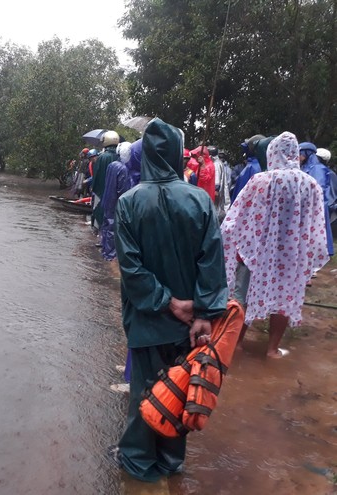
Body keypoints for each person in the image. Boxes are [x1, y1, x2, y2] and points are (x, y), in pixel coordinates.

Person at [107, 118, 228, 482]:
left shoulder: (129, 203)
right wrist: (203, 312)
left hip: (146, 319)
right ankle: (171, 461)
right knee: (180, 386)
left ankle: (138, 461)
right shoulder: (199, 201)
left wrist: (165, 302)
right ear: (177, 155)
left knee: (145, 390)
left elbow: (131, 269)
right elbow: (213, 261)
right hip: (188, 323)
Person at [221, 132, 328, 358]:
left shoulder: (261, 181)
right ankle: (272, 349)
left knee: (245, 297)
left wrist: (231, 242)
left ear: (272, 153)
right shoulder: (311, 185)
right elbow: (317, 225)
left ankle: (236, 344)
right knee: (285, 298)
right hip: (291, 255)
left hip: (256, 252)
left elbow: (237, 217)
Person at [299, 142, 334, 257]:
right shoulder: (306, 167)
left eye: (300, 153)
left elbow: (319, 189)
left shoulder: (318, 169)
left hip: (313, 207)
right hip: (307, 206)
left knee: (312, 236)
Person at [100, 142, 133, 261]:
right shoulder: (123, 169)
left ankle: (104, 251)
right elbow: (123, 191)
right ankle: (110, 256)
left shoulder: (112, 165)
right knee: (112, 230)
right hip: (115, 203)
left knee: (106, 227)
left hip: (107, 200)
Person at [90, 131, 120, 233]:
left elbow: (96, 174)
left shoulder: (102, 157)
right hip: (116, 191)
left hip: (101, 189)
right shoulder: (120, 155)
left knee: (99, 210)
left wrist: (93, 187)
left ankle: (99, 232)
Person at [209, 145, 230, 222]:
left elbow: (216, 181)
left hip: (216, 196)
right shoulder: (218, 163)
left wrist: (215, 190)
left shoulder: (216, 164)